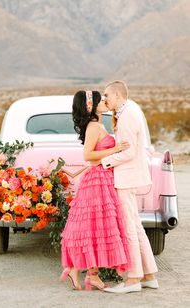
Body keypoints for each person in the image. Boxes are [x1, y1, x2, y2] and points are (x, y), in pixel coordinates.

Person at [60, 90, 131, 290]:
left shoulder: (98, 124)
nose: (105, 101)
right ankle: (84, 273)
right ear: (92, 106)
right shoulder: (93, 126)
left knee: (97, 228)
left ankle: (89, 274)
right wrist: (115, 149)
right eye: (101, 100)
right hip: (97, 180)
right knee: (95, 228)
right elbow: (88, 155)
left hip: (103, 178)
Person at [101, 80, 158, 294]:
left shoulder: (126, 116)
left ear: (117, 95)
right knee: (136, 226)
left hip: (127, 177)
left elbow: (129, 152)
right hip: (132, 176)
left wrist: (104, 162)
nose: (105, 99)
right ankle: (150, 275)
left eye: (107, 95)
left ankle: (133, 279)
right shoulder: (131, 111)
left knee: (129, 228)